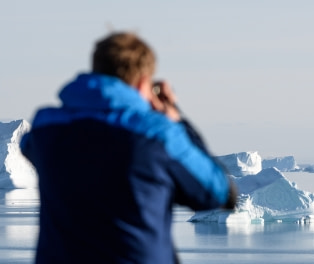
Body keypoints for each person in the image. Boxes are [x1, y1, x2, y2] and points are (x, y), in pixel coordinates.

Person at [21, 32, 236, 264]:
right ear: (144, 82)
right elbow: (219, 194)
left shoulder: (45, 128)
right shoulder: (158, 134)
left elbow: (28, 148)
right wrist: (176, 119)